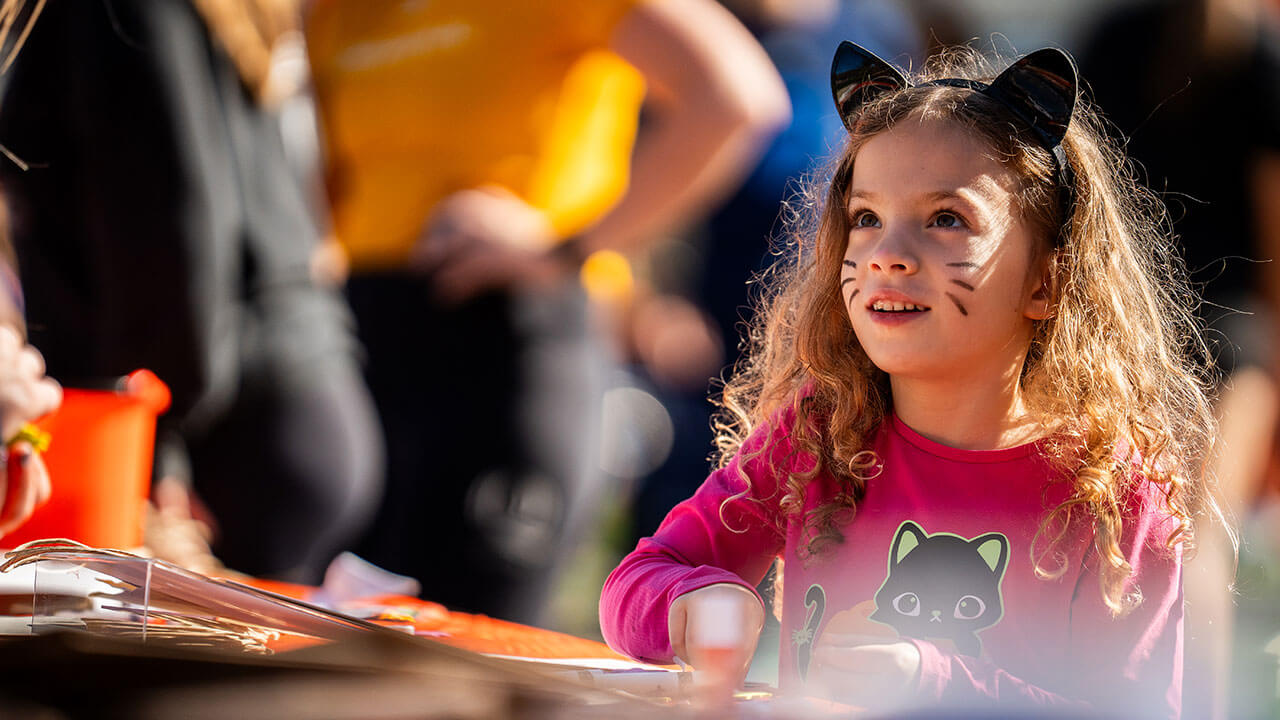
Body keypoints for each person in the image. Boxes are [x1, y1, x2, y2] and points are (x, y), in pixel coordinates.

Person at [600, 41, 1227, 717]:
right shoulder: (819, 435)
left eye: (946, 220)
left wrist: (937, 685)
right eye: (866, 219)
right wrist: (691, 602)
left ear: (1048, 279)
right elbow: (636, 581)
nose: (887, 256)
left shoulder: (1116, 498)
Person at [303, 0, 789, 624]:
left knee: (465, 671)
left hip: (510, 351)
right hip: (363, 353)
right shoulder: (338, 14)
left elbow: (735, 98)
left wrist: (563, 248)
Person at [0, 0, 383, 583]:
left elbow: (176, 231)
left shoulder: (110, 11)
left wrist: (160, 454)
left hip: (229, 436)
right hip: (288, 408)